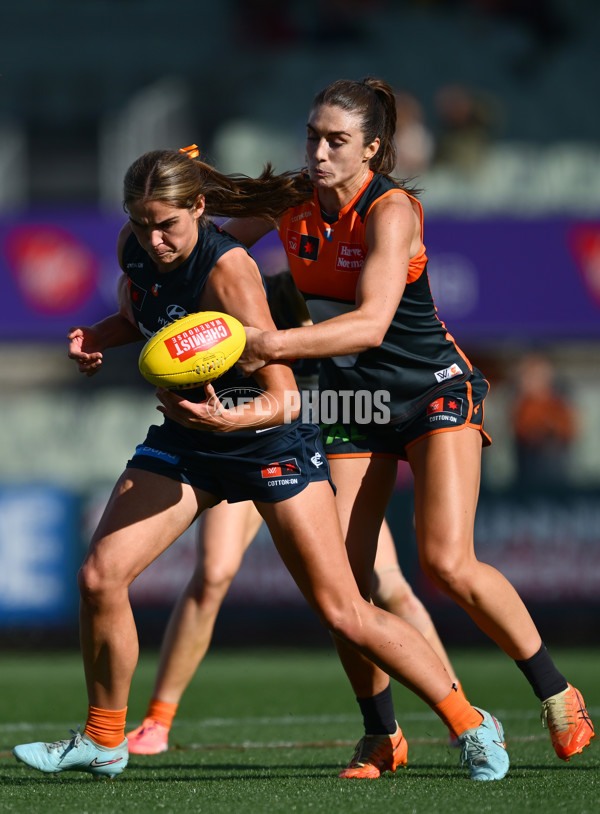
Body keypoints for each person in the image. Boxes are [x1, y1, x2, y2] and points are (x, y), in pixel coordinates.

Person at [12, 147, 509, 781]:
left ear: (199, 208)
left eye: (167, 225)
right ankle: (104, 739)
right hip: (191, 438)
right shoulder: (134, 249)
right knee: (99, 578)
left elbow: (287, 397)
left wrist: (231, 421)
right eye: (141, 223)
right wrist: (97, 337)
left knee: (343, 610)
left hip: (270, 439)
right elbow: (149, 319)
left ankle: (472, 723)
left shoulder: (231, 271)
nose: (154, 239)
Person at [223, 76, 594, 774]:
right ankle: (382, 735)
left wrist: (267, 343)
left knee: (447, 562)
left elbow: (371, 325)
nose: (319, 152)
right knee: (342, 587)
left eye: (336, 140)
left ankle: (557, 692)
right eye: (312, 137)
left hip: (431, 392)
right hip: (353, 404)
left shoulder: (392, 210)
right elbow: (211, 250)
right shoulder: (291, 199)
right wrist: (142, 289)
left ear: (372, 148)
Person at [126, 269, 459, 757]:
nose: (309, 339)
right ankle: (158, 721)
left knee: (390, 586)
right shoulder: (247, 335)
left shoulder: (344, 346)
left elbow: (361, 412)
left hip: (316, 465)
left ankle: (457, 711)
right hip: (254, 455)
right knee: (213, 575)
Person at [510, 352, 578, 490]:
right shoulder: (521, 406)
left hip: (557, 477)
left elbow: (568, 432)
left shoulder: (559, 405)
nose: (527, 381)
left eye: (535, 376)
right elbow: (522, 432)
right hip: (527, 479)